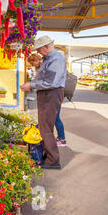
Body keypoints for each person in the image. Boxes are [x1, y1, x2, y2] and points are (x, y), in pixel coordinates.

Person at [21, 36, 67, 170]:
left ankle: (53, 161)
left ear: (46, 47)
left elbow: (50, 82)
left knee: (45, 128)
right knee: (46, 126)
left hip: (51, 94)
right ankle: (49, 156)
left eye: (39, 49)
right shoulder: (48, 59)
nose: (39, 52)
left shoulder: (56, 59)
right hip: (48, 95)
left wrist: (31, 84)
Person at [27, 53, 67, 147]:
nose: (33, 66)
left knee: (56, 118)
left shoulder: (47, 65)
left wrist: (32, 85)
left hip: (54, 94)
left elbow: (49, 82)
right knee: (54, 118)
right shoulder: (41, 67)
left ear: (36, 60)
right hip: (50, 95)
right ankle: (58, 138)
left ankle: (62, 139)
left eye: (33, 63)